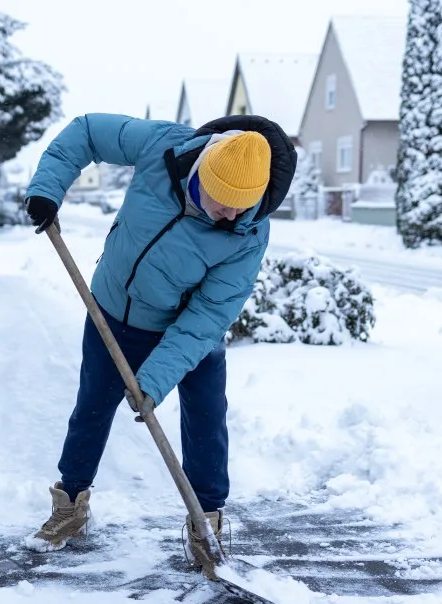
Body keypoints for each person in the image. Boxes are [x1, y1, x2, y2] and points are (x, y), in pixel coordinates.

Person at [20, 112, 296, 579]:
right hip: (111, 308)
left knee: (207, 418)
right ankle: (70, 506)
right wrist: (48, 188)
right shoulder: (163, 146)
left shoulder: (249, 232)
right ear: (201, 170)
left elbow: (208, 316)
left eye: (241, 208)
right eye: (222, 202)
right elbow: (86, 132)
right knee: (92, 406)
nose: (229, 216)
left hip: (187, 330)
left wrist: (154, 380)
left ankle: (205, 524)